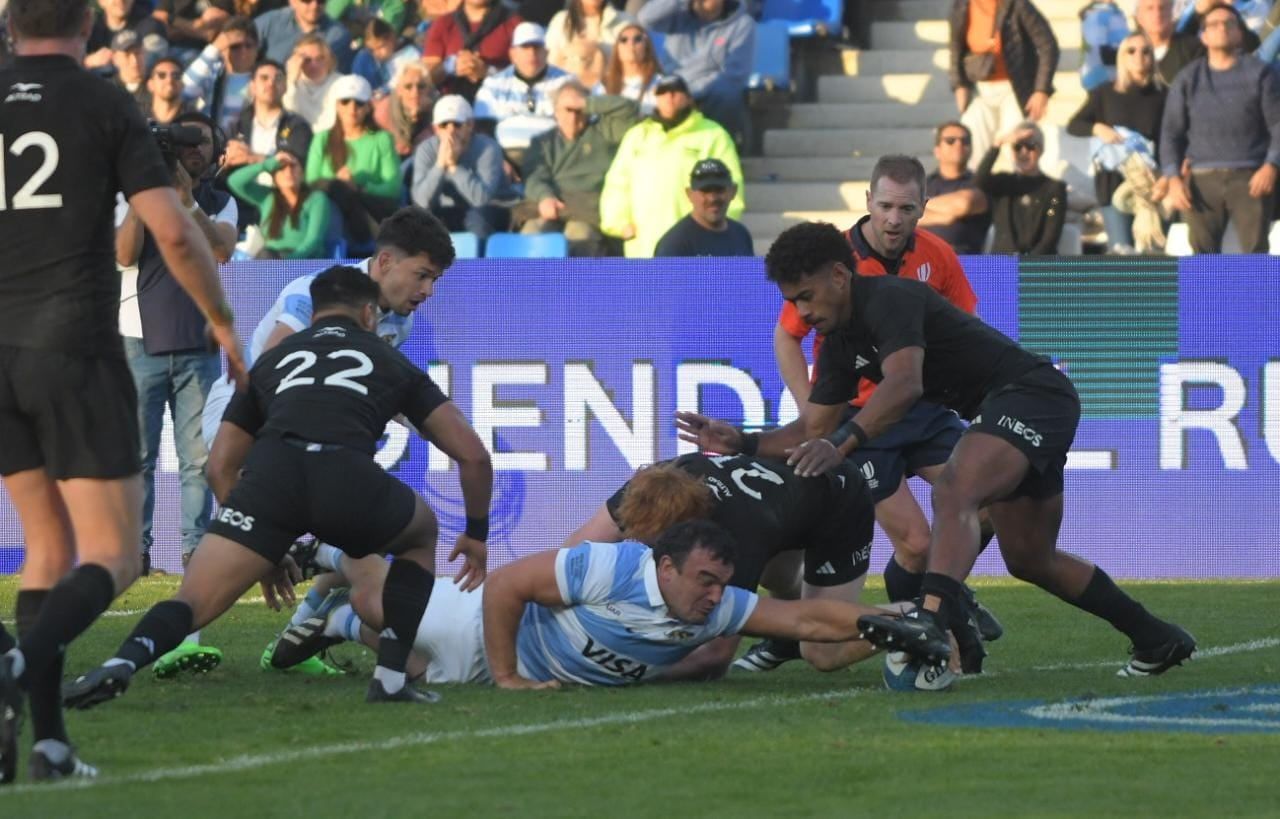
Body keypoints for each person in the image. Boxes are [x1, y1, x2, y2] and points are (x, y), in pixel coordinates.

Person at [675, 220, 1196, 684]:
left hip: (1034, 393)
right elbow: (811, 426)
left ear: (839, 275)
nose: (803, 313)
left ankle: (931, 616)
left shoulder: (890, 299)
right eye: (793, 302)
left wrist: (843, 443)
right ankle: (1155, 636)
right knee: (1030, 559)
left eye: (807, 296)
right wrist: (740, 440)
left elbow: (903, 385)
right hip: (1012, 408)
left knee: (955, 488)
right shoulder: (837, 344)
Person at [0, 0, 245, 783]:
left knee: (47, 550)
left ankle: (47, 744)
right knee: (114, 549)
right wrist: (225, 325)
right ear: (88, 28)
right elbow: (172, 231)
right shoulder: (105, 100)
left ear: (9, 29)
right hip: (73, 339)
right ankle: (13, 671)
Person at [64, 264, 492, 709]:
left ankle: (121, 664)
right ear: (369, 315)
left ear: (315, 312)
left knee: (192, 598)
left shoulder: (271, 360)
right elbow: (473, 455)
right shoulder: (390, 359)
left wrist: (259, 541)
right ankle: (389, 679)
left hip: (271, 481)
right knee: (420, 532)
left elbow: (220, 465)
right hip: (346, 479)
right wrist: (476, 534)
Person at [766, 155, 997, 674]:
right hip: (864, 423)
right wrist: (811, 414)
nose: (894, 219)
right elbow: (787, 334)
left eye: (906, 208)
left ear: (924, 209)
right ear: (868, 202)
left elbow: (967, 330)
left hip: (925, 409)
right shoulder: (833, 260)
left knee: (988, 504)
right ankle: (933, 615)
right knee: (916, 544)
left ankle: (943, 597)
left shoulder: (937, 256)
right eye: (886, 206)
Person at [274, 520, 928, 691]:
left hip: (493, 663)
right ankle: (329, 556)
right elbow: (505, 586)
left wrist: (885, 621)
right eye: (703, 578)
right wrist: (508, 677)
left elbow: (805, 619)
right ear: (664, 565)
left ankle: (330, 624)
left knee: (412, 670)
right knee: (379, 600)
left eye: (719, 583)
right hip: (482, 622)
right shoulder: (611, 565)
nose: (713, 595)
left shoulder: (711, 603)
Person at [554, 455, 880, 679]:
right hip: (783, 497)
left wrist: (627, 672)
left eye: (654, 542)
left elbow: (713, 658)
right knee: (778, 579)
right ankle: (785, 637)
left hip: (838, 501)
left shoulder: (736, 537)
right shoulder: (651, 488)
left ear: (688, 528)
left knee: (821, 653)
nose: (645, 547)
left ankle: (916, 616)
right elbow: (570, 557)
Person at [117, 110, 239, 589]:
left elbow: (222, 250)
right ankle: (137, 554)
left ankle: (194, 550)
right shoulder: (130, 191)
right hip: (136, 336)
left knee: (198, 459)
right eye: (185, 142)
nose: (193, 150)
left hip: (199, 341)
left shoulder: (221, 201)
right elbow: (124, 254)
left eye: (202, 143)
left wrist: (186, 201)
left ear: (217, 151)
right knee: (139, 456)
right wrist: (143, 191)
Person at [1160, 2, 1280, 253]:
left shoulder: (1261, 74)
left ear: (1240, 32)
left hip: (1251, 177)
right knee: (1204, 262)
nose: (1222, 28)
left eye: (1229, 23)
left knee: (1255, 257)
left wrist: (1271, 165)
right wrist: (1173, 177)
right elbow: (1171, 133)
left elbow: (1277, 124)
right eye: (1213, 25)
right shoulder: (1188, 78)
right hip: (1201, 179)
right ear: (1203, 36)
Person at [599, 74, 745, 257]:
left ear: (688, 98)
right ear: (656, 98)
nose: (669, 97)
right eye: (663, 93)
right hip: (644, 244)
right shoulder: (637, 136)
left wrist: (717, 228)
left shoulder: (713, 135)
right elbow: (617, 183)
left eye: (675, 92)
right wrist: (618, 222)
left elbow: (731, 186)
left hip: (693, 244)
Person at [1067, 32, 1168, 254]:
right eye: (1131, 50)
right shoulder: (1105, 92)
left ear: (1153, 57)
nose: (1139, 56)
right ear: (1122, 56)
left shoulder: (1163, 96)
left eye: (1146, 50)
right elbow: (1074, 124)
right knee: (1121, 254)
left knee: (1152, 257)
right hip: (1113, 184)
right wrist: (1098, 128)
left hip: (1151, 185)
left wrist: (1165, 178)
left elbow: (1170, 139)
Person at [514, 81, 638, 255]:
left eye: (578, 111)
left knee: (579, 235)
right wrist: (544, 197)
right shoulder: (542, 142)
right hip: (554, 204)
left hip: (589, 208)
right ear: (556, 112)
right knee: (533, 233)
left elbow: (629, 109)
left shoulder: (604, 133)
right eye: (567, 110)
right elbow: (534, 176)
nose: (573, 117)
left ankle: (577, 282)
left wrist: (586, 103)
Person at [948, 0, 1059, 170]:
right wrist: (959, 84)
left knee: (1019, 145)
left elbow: (1048, 45)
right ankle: (972, 191)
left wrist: (1041, 90)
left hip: (1015, 87)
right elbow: (956, 47)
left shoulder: (1017, 4)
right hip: (980, 87)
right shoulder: (962, 5)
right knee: (971, 144)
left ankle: (1024, 192)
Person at [306, 73, 402, 246]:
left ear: (367, 107)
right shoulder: (322, 139)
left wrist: (357, 187)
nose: (352, 108)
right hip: (337, 211)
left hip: (372, 206)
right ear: (337, 106)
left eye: (359, 103)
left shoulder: (382, 139)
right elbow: (311, 182)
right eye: (345, 102)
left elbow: (393, 188)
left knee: (336, 191)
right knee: (332, 193)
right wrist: (342, 185)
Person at [638, 0, 754, 142]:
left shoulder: (742, 23)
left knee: (727, 93)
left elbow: (735, 73)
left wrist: (690, 92)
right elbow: (645, 18)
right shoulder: (677, 15)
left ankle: (718, 148)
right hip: (674, 85)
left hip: (711, 91)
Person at [411, 94, 514, 240]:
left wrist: (453, 167)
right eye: (444, 125)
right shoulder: (426, 149)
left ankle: (479, 263)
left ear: (470, 125)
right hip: (447, 210)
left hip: (493, 208)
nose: (450, 131)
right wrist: (440, 166)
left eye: (457, 124)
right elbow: (421, 201)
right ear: (435, 129)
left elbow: (481, 199)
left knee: (477, 219)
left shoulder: (487, 147)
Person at [473, 22, 571, 151]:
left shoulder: (567, 83)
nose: (532, 53)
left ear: (546, 52)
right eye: (525, 47)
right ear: (512, 54)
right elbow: (482, 131)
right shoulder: (493, 84)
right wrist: (499, 160)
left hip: (555, 154)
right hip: (505, 157)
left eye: (537, 47)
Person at [975, 121, 1067, 255]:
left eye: (1030, 146)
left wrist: (1027, 266)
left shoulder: (1054, 189)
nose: (1024, 152)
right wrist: (998, 143)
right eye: (1018, 147)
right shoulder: (1003, 182)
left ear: (1041, 150)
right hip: (1003, 264)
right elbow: (979, 181)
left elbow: (1050, 236)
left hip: (1037, 265)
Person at [228, 146, 337, 258]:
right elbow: (235, 181)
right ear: (274, 176)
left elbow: (313, 241)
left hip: (306, 262)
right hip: (272, 259)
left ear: (302, 172)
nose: (288, 172)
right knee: (264, 254)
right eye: (281, 168)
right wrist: (268, 164)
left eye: (293, 166)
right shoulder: (267, 197)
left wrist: (286, 265)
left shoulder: (317, 199)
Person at [225, 59, 314, 174]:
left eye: (278, 78)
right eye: (264, 78)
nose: (271, 83)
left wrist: (253, 158)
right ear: (252, 87)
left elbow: (297, 165)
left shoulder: (297, 126)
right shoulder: (235, 126)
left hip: (280, 191)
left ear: (286, 87)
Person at [653, 158, 754, 257]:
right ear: (689, 194)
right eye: (705, 191)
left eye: (719, 190)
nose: (712, 198)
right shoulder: (674, 245)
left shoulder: (741, 235)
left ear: (733, 191)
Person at [180, 15, 261, 139]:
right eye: (235, 46)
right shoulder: (211, 74)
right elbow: (183, 92)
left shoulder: (264, 78)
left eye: (248, 45)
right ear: (223, 48)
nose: (243, 51)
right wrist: (213, 49)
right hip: (209, 144)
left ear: (257, 48)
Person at [422, 0, 521, 100]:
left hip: (500, 105)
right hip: (452, 107)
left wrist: (488, 71)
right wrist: (452, 65)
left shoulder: (514, 23)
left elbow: (528, 73)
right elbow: (426, 77)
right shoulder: (443, 24)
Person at [920, 121, 991, 256]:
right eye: (950, 141)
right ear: (937, 151)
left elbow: (964, 204)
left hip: (963, 263)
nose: (958, 145)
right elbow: (901, 215)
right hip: (921, 261)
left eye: (965, 141)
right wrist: (945, 217)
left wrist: (917, 206)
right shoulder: (922, 184)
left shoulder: (981, 183)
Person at [255, 0, 354, 72]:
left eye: (321, 1)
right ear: (292, 2)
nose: (314, 5)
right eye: (307, 0)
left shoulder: (338, 35)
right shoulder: (270, 22)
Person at [373, 60, 438, 159]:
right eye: (408, 86)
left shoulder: (437, 106)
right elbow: (402, 147)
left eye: (421, 86)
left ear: (429, 88)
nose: (415, 92)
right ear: (399, 90)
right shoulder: (384, 111)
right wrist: (412, 120)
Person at [1136, 0, 1207, 84]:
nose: (1157, 14)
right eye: (1150, 8)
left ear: (1171, 13)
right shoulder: (1130, 51)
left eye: (1162, 8)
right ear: (1139, 18)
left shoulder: (1194, 49)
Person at [85, 0, 168, 70]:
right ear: (100, 2)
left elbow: (152, 61)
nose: (120, 1)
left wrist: (113, 60)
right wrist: (89, 61)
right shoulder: (91, 30)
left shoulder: (151, 26)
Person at [599, 22, 660, 115]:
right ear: (617, 49)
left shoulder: (659, 83)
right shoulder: (603, 85)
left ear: (647, 47)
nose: (631, 43)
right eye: (623, 40)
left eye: (638, 39)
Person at [283, 33, 341, 128]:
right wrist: (292, 81)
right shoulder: (289, 84)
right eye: (307, 60)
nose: (314, 65)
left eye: (320, 59)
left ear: (329, 59)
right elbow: (289, 111)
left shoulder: (342, 83)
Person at [109, 29, 150, 110]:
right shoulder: (107, 90)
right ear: (115, 59)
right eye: (127, 55)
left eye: (138, 53)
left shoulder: (158, 87)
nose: (134, 61)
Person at [148, 55, 196, 123]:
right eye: (162, 75)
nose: (169, 80)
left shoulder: (194, 120)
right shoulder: (137, 118)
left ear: (183, 84)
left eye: (176, 76)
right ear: (150, 84)